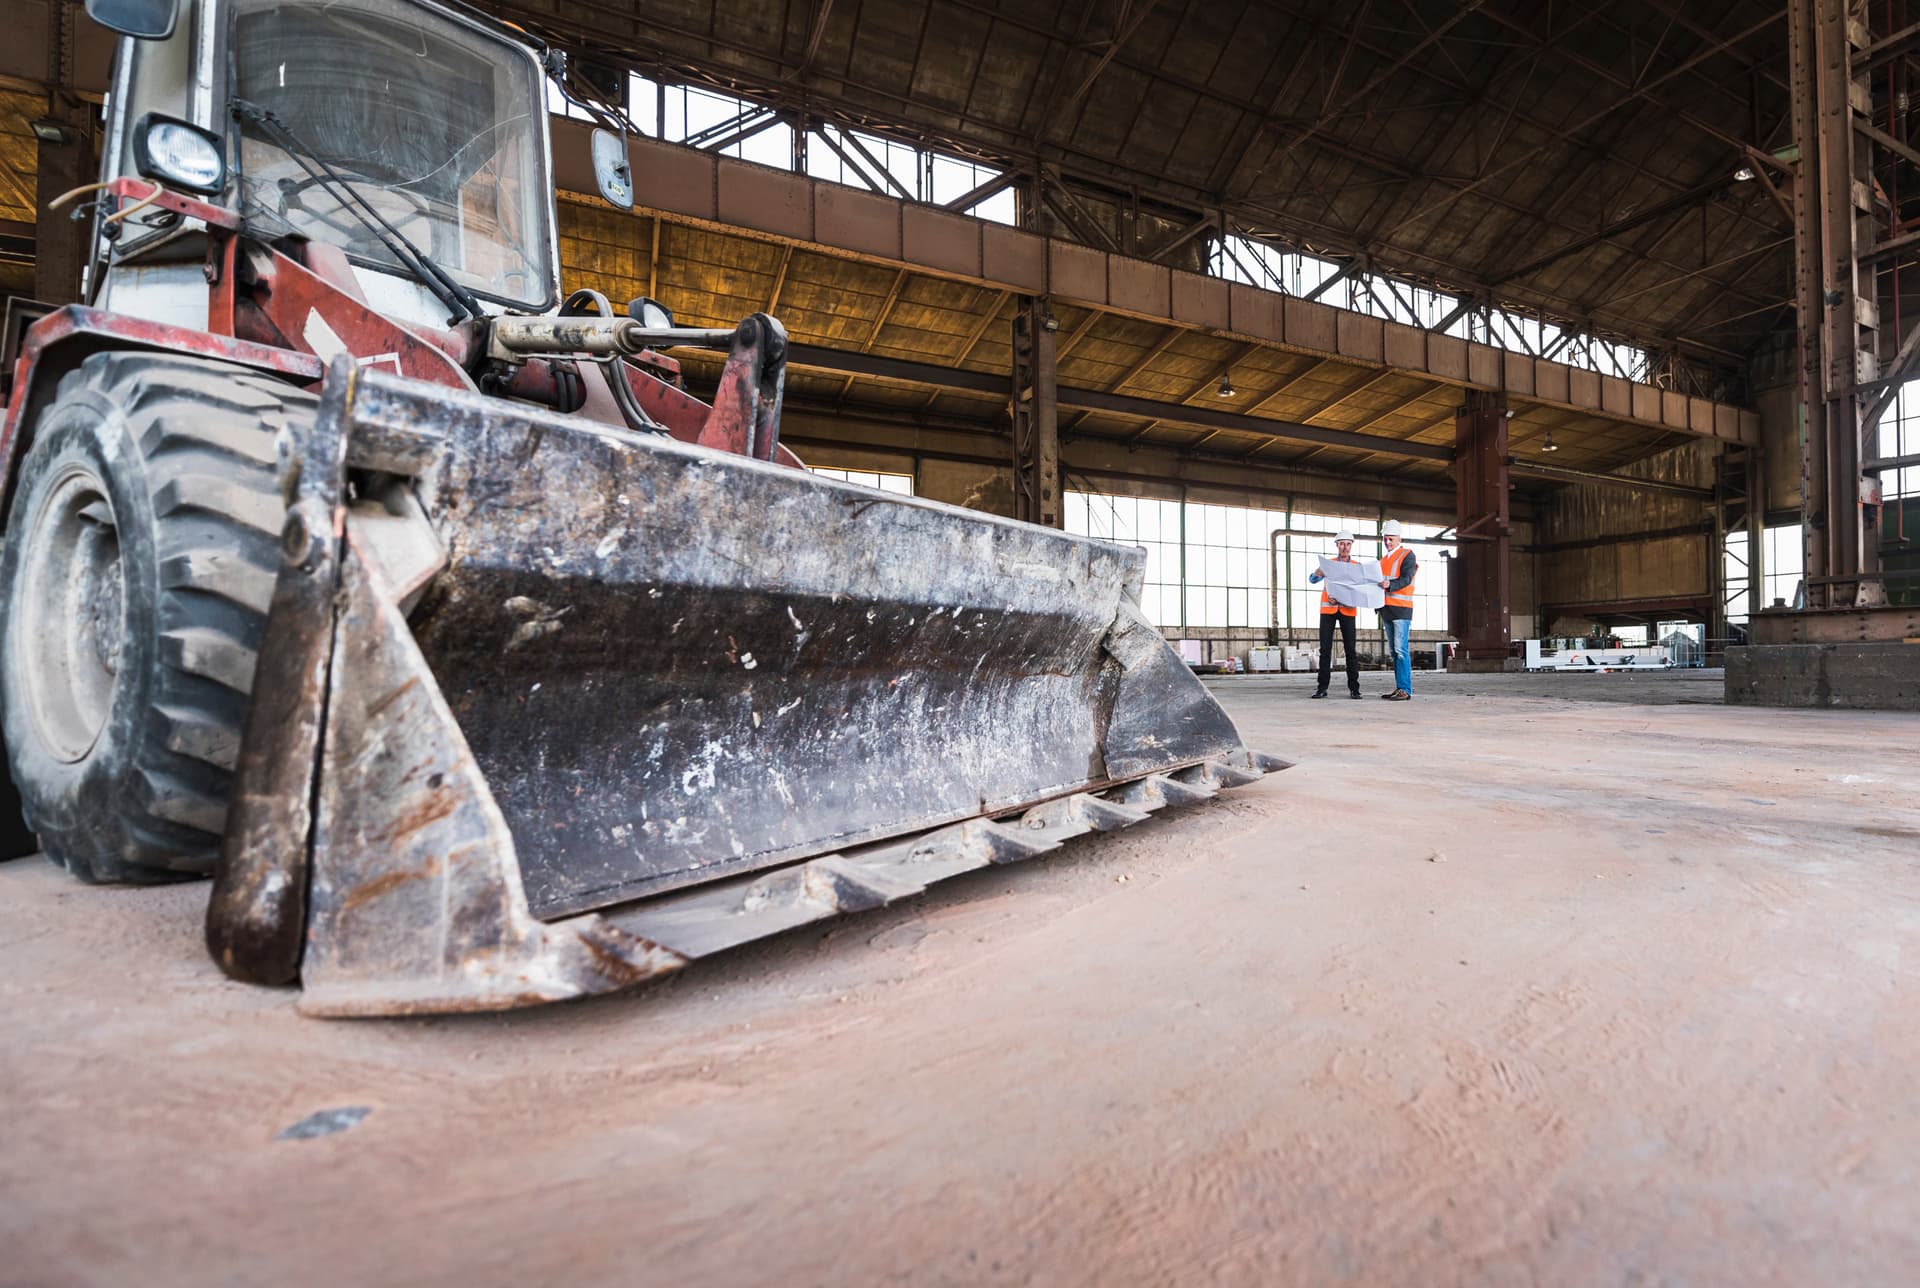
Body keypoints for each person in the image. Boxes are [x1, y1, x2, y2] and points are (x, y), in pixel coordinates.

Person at [1306, 531, 1362, 699]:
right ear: (1337, 545)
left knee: (1350, 651)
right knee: (1325, 650)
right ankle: (1322, 688)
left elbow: (1361, 589)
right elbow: (1312, 579)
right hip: (1328, 610)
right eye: (1342, 544)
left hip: (1348, 610)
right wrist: (1317, 573)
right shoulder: (1328, 564)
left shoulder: (1357, 567)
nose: (1345, 547)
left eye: (1348, 544)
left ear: (1351, 545)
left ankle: (1354, 689)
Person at [1376, 519, 1418, 701]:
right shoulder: (1382, 560)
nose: (1387, 542)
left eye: (1391, 539)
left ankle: (1405, 689)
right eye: (1385, 538)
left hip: (1401, 609)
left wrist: (1390, 584)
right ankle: (1400, 687)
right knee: (1394, 652)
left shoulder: (1407, 555)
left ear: (1399, 538)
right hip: (1386, 610)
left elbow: (1407, 578)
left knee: (1401, 650)